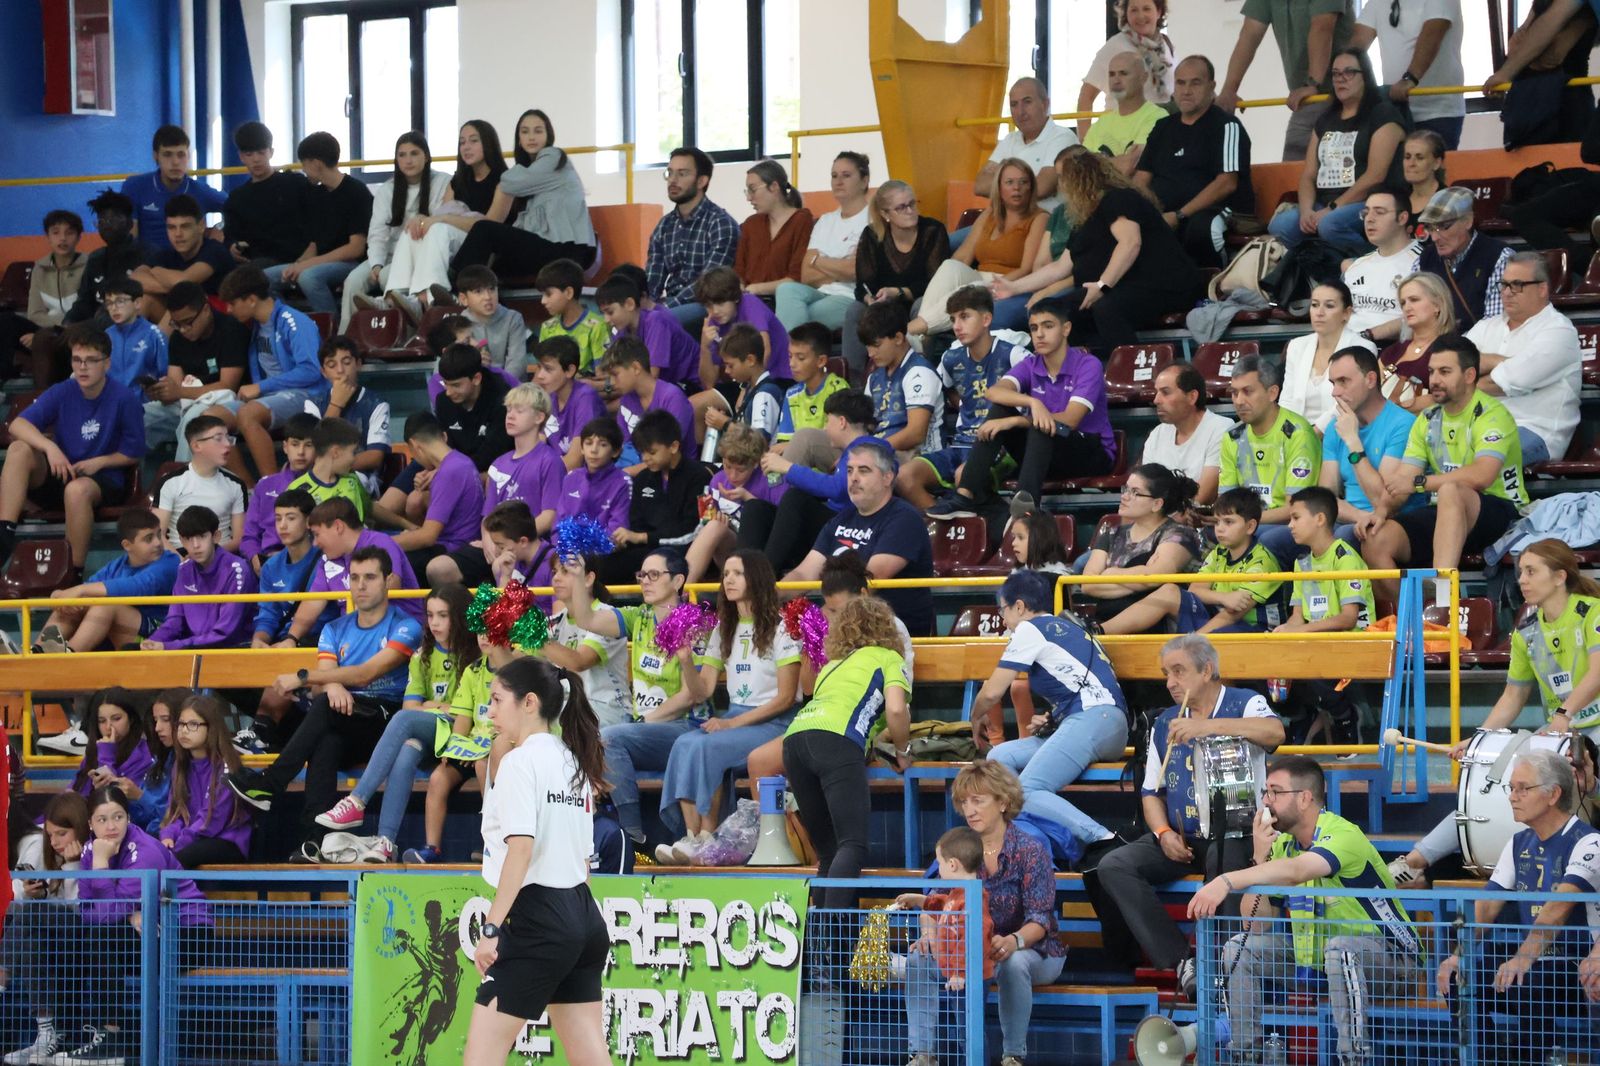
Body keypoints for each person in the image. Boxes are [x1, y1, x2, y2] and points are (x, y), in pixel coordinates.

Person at [1389, 538, 1600, 885]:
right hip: (1561, 737)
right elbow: (1513, 696)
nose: (1523, 580)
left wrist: (1563, 714)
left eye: (1532, 571)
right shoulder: (1527, 632)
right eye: (1520, 572)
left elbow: (1596, 671)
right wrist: (1478, 739)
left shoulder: (1590, 613)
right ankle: (1416, 861)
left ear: (1560, 576)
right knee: (1505, 780)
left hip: (1584, 728)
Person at [1187, 756, 1423, 1066]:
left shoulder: (1343, 835)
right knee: (1238, 949)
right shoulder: (1284, 844)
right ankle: (1245, 1056)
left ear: (1304, 798)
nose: (1266, 802)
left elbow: (1298, 871)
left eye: (1275, 792)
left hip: (1393, 961)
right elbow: (1255, 925)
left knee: (1340, 950)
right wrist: (1259, 856)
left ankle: (1353, 1060)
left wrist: (1227, 880)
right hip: (1319, 964)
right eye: (1265, 792)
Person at [1085, 635, 1282, 994]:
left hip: (1238, 830)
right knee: (1114, 865)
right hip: (1182, 833)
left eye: (1178, 672)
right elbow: (1150, 793)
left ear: (1207, 670)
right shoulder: (1165, 722)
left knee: (1231, 867)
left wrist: (1207, 727)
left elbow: (1275, 732)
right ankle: (1181, 961)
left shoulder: (1246, 702)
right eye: (1166, 674)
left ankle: (1231, 975)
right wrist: (1162, 832)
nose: (1170, 682)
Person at [461, 658, 611, 1066]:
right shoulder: (573, 761)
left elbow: (520, 851)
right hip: (583, 916)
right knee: (590, 1054)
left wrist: (490, 928)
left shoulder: (519, 762)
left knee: (481, 1056)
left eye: (496, 700)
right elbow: (583, 862)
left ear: (529, 702)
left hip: (539, 919)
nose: (489, 711)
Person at [227, 548, 423, 858]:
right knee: (326, 740)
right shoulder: (335, 629)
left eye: (370, 578)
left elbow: (367, 673)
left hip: (386, 722)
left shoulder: (407, 627)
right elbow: (330, 677)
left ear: (388, 581)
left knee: (322, 711)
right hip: (344, 720)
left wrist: (306, 678)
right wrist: (330, 683)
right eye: (355, 578)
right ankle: (315, 842)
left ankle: (271, 783)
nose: (360, 586)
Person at [1437, 749, 1600, 1063]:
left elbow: (1559, 906)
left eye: (1523, 788)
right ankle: (1485, 1058)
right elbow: (1487, 906)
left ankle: (1532, 1059)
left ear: (1553, 794)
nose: (1513, 796)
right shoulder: (1518, 843)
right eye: (1510, 788)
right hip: (1536, 960)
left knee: (1528, 979)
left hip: (1578, 963)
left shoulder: (1588, 842)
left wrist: (1522, 958)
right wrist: (1458, 957)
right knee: (1463, 976)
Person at [314, 584, 480, 862]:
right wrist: (441, 708)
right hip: (434, 730)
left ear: (459, 617)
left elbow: (468, 712)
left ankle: (357, 801)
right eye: (430, 615)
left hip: (466, 734)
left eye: (443, 615)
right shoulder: (422, 655)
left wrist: (433, 707)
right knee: (408, 749)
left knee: (403, 721)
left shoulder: (476, 654)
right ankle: (386, 842)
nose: (434, 623)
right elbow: (412, 705)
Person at [657, 550, 800, 863]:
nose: (729, 580)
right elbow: (703, 689)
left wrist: (732, 724)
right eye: (726, 574)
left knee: (708, 746)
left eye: (738, 573)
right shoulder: (723, 628)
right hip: (736, 717)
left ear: (757, 578)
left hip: (774, 723)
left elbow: (786, 698)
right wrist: (685, 662)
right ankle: (692, 836)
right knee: (684, 743)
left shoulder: (782, 628)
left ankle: (708, 838)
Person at [975, 570, 1129, 852]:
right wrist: (1053, 718)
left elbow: (992, 692)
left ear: (1019, 606)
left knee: (1027, 791)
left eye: (1003, 610)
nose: (1004, 619)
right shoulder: (1068, 627)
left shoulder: (1029, 628)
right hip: (1104, 723)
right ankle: (1022, 837)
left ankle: (1104, 840)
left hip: (1094, 720)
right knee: (999, 757)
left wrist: (975, 717)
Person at [1364, 336, 1527, 602]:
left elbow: (1482, 476)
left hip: (1500, 511)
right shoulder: (1427, 418)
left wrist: (1420, 483)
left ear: (1469, 375)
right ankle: (1415, 621)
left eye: (1445, 371)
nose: (1434, 379)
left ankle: (1441, 598)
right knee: (1376, 538)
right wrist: (1380, 512)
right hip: (1446, 514)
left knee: (1451, 490)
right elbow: (1403, 479)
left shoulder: (1491, 414)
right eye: (1431, 372)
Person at [563, 548, 706, 844]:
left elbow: (691, 696)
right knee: (599, 736)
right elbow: (587, 618)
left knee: (612, 736)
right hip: (647, 728)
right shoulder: (637, 617)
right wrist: (578, 579)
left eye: (655, 574)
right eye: (642, 575)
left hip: (685, 726)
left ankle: (631, 833)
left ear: (678, 581)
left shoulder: (694, 624)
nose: (645, 581)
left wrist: (647, 719)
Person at [994, 151, 1203, 353]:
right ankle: (1079, 370)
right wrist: (1013, 287)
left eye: (1063, 180)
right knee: (1053, 310)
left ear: (1079, 181)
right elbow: (1060, 267)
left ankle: (1132, 370)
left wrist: (1102, 285)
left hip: (1163, 285)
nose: (1060, 187)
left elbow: (1130, 243)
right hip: (1120, 287)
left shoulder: (1119, 199)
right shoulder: (1083, 219)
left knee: (1106, 306)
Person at [928, 298, 1113, 518]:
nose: (1039, 334)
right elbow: (994, 392)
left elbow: (1071, 420)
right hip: (1046, 452)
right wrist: (1032, 403)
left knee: (1041, 425)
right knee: (1001, 409)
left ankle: (1025, 507)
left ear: (1066, 329)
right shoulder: (1031, 364)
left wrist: (1017, 421)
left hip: (1089, 452)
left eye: (1048, 326)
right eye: (1034, 328)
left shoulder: (1087, 364)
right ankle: (965, 495)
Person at [933, 762, 1065, 1065]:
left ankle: (1012, 1056)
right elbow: (937, 900)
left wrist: (1014, 940)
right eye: (964, 802)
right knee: (925, 959)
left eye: (978, 800)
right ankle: (928, 1054)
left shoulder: (1030, 849)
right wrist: (930, 933)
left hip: (1036, 950)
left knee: (1014, 962)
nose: (970, 810)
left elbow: (1040, 920)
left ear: (1003, 802)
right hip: (976, 951)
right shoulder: (960, 847)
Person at [71, 785, 212, 1064]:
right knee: (77, 934)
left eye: (118, 817)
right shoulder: (90, 849)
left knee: (103, 936)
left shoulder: (144, 850)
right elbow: (85, 909)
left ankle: (112, 1039)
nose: (111, 826)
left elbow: (106, 913)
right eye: (102, 819)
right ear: (90, 824)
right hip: (141, 932)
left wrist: (101, 865)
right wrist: (127, 913)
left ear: (129, 818)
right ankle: (70, 1035)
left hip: (189, 934)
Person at [784, 595, 912, 897]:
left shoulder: (830, 666)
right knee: (851, 844)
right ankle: (837, 942)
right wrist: (903, 752)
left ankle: (823, 940)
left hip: (795, 740)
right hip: (835, 741)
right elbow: (896, 710)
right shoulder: (888, 658)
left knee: (827, 850)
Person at [0, 324, 146, 571]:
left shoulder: (124, 398)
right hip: (62, 471)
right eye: (77, 360)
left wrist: (100, 462)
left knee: (77, 491)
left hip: (103, 478)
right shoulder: (63, 390)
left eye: (90, 360)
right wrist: (50, 447)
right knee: (18, 450)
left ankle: (72, 571)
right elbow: (17, 425)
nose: (82, 367)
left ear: (106, 364)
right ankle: (4, 533)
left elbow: (133, 452)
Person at [784, 439, 936, 636]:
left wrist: (817, 622)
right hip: (842, 626)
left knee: (804, 636)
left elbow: (868, 581)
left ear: (887, 477)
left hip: (888, 631)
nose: (853, 478)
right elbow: (804, 574)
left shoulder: (904, 519)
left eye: (863, 470)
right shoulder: (840, 520)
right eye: (849, 471)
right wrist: (768, 598)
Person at [895, 286, 1026, 509]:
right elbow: (946, 390)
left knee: (963, 476)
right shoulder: (950, 358)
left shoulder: (1015, 355)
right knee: (904, 477)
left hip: (1001, 448)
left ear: (986, 319)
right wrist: (962, 403)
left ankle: (971, 535)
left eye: (964, 317)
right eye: (953, 319)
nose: (956, 326)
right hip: (960, 444)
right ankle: (942, 531)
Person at [1267, 47, 1407, 255]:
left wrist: (1332, 208)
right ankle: (1314, 270)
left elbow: (1375, 175)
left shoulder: (1382, 113)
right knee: (1280, 225)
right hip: (1323, 204)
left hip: (1364, 202)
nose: (1341, 79)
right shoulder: (1325, 119)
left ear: (1365, 76)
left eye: (1349, 72)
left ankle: (1369, 262)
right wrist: (1306, 211)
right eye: (1335, 74)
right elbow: (1308, 175)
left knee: (1330, 225)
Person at [372, 119, 506, 318]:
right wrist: (423, 220)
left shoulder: (503, 179)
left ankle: (430, 295)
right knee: (414, 229)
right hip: (455, 240)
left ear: (488, 143)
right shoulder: (457, 181)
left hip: (485, 245)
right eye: (462, 142)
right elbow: (443, 215)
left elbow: (491, 227)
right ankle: (393, 296)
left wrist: (439, 220)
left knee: (437, 228)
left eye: (473, 141)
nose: (466, 147)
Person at [450, 109, 598, 288]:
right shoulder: (530, 171)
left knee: (484, 229)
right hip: (548, 248)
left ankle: (455, 286)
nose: (531, 137)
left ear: (548, 136)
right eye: (525, 131)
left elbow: (509, 182)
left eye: (538, 131)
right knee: (491, 268)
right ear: (519, 139)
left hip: (567, 250)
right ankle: (481, 302)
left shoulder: (554, 157)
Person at [1133, 55, 1257, 269]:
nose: (1186, 90)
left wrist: (1179, 215)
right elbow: (1141, 179)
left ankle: (1214, 287)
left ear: (1212, 86)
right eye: (1180, 83)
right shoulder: (1162, 127)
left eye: (1195, 83)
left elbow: (1227, 182)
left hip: (1215, 210)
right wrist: (1141, 212)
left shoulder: (1226, 125)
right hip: (1164, 212)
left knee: (1201, 228)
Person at [743, 388, 882, 574]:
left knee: (796, 499)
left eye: (827, 420)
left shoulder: (872, 448)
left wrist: (787, 467)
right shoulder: (849, 451)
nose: (825, 428)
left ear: (841, 422)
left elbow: (838, 489)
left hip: (848, 531)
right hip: (826, 527)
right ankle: (743, 574)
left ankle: (763, 580)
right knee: (756, 509)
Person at [1277, 487, 1378, 744]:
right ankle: (1305, 717)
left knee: (1308, 662)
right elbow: (1297, 617)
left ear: (1320, 519)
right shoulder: (1302, 563)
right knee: (1266, 659)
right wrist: (1282, 633)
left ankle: (1345, 716)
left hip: (1357, 641)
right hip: (1320, 641)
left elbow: (1348, 619)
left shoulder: (1345, 558)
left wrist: (1298, 632)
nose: (1290, 525)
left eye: (1296, 518)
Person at [1468, 249, 1582, 467]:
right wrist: (1499, 361)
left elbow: (1506, 382)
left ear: (1542, 288)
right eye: (1504, 284)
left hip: (1531, 430)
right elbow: (1450, 364)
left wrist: (1465, 381)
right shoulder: (1486, 327)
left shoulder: (1559, 332)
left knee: (1475, 461)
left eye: (1517, 285)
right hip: (1477, 426)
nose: (1507, 292)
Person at [212, 264, 325, 481]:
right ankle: (248, 488)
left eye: (233, 303)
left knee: (248, 414)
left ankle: (272, 486)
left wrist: (261, 387)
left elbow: (312, 370)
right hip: (271, 397)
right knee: (210, 420)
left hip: (306, 394)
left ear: (252, 300)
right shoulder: (255, 326)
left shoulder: (295, 322)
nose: (228, 309)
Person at [911, 159, 1046, 338]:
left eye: (1023, 182)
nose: (1017, 188)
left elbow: (1027, 268)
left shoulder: (1039, 218)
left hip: (1009, 281)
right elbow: (963, 256)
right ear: (998, 187)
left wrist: (995, 285)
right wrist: (949, 281)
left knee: (972, 290)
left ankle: (912, 332)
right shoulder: (990, 214)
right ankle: (919, 336)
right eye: (1009, 182)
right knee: (950, 266)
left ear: (1031, 187)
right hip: (978, 275)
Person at [897, 826, 997, 1066]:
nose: (938, 870)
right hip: (953, 971)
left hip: (969, 976)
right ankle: (923, 1054)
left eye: (939, 863)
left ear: (952, 865)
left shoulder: (975, 897)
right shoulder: (956, 894)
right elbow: (942, 905)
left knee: (968, 1029)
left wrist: (960, 973)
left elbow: (975, 937)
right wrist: (920, 900)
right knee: (964, 1026)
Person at [1217, 0, 1357, 162]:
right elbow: (1250, 34)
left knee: (1341, 174)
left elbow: (1322, 28)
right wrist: (1229, 90)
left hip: (1344, 99)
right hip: (1307, 101)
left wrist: (1313, 84)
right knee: (1292, 176)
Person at [338, 131, 450, 330]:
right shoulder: (387, 189)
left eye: (414, 153)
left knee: (388, 278)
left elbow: (442, 223)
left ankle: (401, 337)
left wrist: (381, 272)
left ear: (426, 156)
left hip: (421, 255)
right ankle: (347, 338)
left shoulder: (442, 182)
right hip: (387, 254)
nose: (408, 160)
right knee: (352, 282)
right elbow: (377, 233)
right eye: (402, 155)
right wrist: (376, 264)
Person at [1075, 464, 1204, 635]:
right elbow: (1088, 585)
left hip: (1157, 630)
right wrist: (1142, 577)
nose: (1125, 496)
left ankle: (1099, 631)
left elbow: (1158, 575)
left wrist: (1111, 574)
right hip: (1105, 616)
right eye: (1126, 489)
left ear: (1157, 504)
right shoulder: (1110, 533)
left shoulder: (1179, 534)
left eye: (1135, 492)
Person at [1218, 353, 1322, 564]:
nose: (1239, 401)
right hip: (1245, 523)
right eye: (1234, 393)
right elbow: (1225, 502)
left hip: (1287, 525)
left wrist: (1243, 522)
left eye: (1247, 392)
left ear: (1272, 392)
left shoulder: (1297, 433)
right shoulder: (1232, 437)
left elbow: (1296, 509)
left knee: (1263, 538)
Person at [33, 509, 179, 655]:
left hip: (159, 634)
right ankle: (37, 652)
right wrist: (59, 595)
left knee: (106, 605)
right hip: (123, 631)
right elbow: (87, 589)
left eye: (159, 535)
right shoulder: (115, 566)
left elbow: (137, 587)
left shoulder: (169, 562)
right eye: (148, 539)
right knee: (70, 604)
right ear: (127, 545)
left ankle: (70, 654)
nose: (158, 543)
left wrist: (79, 590)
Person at [843, 182, 951, 375]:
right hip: (883, 306)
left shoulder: (933, 231)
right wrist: (870, 299)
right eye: (901, 207)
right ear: (885, 214)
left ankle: (919, 372)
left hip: (918, 301)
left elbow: (937, 282)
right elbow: (862, 286)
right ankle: (853, 380)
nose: (910, 211)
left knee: (922, 305)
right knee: (855, 310)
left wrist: (898, 292)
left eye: (912, 204)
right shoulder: (872, 235)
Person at [283, 497, 422, 646]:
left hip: (398, 631)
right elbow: (313, 602)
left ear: (338, 527)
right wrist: (291, 639)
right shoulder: (328, 559)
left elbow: (391, 585)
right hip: (353, 636)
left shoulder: (380, 542)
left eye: (317, 534)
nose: (315, 543)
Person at [265, 131, 374, 316]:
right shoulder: (316, 194)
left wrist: (308, 265)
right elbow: (315, 243)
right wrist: (298, 264)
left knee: (309, 277)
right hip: (321, 261)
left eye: (304, 165)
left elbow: (355, 248)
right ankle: (291, 324)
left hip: (351, 262)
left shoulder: (356, 192)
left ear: (316, 163)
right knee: (262, 279)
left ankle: (330, 331)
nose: (304, 170)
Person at [1320, 346, 1421, 545]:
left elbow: (1383, 502)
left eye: (1343, 381)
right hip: (1351, 520)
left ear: (1370, 380)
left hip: (1394, 523)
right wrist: (1359, 516)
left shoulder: (1402, 424)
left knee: (1341, 540)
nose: (1335, 392)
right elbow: (1325, 500)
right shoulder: (1335, 428)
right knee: (1286, 539)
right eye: (1333, 383)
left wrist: (1353, 441)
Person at [601, 409, 710, 585]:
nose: (645, 459)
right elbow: (637, 525)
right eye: (642, 453)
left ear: (673, 447)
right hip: (647, 551)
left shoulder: (699, 477)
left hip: (682, 551)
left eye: (651, 453)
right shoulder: (643, 479)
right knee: (600, 565)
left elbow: (692, 530)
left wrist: (642, 538)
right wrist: (625, 540)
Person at [144, 281, 250, 458]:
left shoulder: (231, 330)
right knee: (143, 415)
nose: (183, 329)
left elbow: (227, 386)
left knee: (194, 421)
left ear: (206, 309)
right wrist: (163, 391)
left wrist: (178, 391)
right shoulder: (178, 338)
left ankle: (185, 478)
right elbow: (175, 383)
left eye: (188, 322)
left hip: (228, 402)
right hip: (187, 400)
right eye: (177, 324)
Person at [774, 152, 873, 332]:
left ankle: (791, 357)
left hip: (850, 296)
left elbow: (856, 270)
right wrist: (840, 267)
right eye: (834, 176)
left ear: (864, 181)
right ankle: (796, 355)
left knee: (800, 316)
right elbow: (806, 274)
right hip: (820, 292)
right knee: (786, 290)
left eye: (846, 175)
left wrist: (818, 261)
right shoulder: (826, 221)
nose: (838, 181)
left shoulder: (873, 219)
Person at [645, 147, 739, 326]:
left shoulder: (720, 223)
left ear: (701, 181)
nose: (673, 180)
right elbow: (652, 278)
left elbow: (709, 285)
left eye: (682, 174)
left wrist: (662, 309)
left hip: (706, 304)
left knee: (657, 321)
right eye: (670, 173)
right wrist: (642, 305)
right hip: (671, 304)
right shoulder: (664, 226)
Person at [141, 506, 258, 651]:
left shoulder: (237, 571)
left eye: (202, 536)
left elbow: (225, 633)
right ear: (182, 541)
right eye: (188, 539)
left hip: (233, 648)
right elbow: (175, 621)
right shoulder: (184, 570)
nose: (195, 545)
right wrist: (154, 641)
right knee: (132, 651)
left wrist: (170, 646)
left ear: (216, 536)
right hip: (193, 647)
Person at [1351, 0, 1466, 147]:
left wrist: (1410, 78)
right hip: (1395, 110)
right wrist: (1345, 75)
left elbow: (1433, 33)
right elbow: (1357, 43)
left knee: (1431, 168)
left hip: (1437, 112)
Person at [1484, 0, 1599, 144]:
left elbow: (1552, 56)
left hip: (1565, 102)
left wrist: (1509, 69)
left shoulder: (1584, 14)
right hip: (1528, 101)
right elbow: (1515, 44)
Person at [1176, 488, 1290, 633]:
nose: (1219, 529)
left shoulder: (1263, 562)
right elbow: (1195, 589)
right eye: (1217, 522)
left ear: (1250, 526)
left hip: (1257, 629)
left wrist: (1194, 640)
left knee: (1215, 634)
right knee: (1170, 592)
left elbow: (1232, 615)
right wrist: (1223, 598)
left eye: (1228, 522)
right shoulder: (1219, 551)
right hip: (1222, 618)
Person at [684, 425, 786, 586]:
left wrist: (749, 498)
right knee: (714, 526)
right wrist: (713, 518)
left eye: (740, 470)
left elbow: (783, 526)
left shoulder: (773, 479)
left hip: (763, 552)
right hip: (728, 553)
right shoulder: (717, 480)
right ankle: (683, 590)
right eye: (727, 466)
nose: (732, 475)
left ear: (755, 463)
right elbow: (704, 521)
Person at [541, 553, 631, 731]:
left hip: (605, 709)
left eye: (565, 571)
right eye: (554, 571)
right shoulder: (554, 621)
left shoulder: (608, 616)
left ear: (588, 578)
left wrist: (535, 637)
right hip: (565, 708)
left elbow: (579, 662)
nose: (556, 578)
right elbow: (515, 662)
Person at [158, 694, 251, 867]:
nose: (184, 730)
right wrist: (168, 835)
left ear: (211, 728)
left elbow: (213, 818)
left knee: (177, 860)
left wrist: (182, 841)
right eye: (181, 724)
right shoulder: (180, 766)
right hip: (194, 837)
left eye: (193, 724)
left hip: (226, 840)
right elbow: (177, 812)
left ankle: (175, 895)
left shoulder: (226, 766)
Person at [391, 412, 488, 575]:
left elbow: (427, 536)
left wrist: (380, 543)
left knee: (390, 560)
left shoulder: (449, 472)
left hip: (454, 550)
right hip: (457, 544)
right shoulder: (461, 462)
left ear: (415, 446)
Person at [1279, 280, 1375, 432]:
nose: (1319, 312)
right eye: (1315, 305)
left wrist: (1316, 432)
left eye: (1329, 306)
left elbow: (1350, 401)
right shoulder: (1296, 346)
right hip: (1296, 436)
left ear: (1346, 313)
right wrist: (1287, 435)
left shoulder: (1363, 348)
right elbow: (1286, 400)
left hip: (1342, 433)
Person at [975, 79, 1079, 217]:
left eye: (1027, 102)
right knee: (949, 238)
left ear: (1045, 104)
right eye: (1014, 104)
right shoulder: (1009, 140)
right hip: (1005, 221)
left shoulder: (1063, 137)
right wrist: (1027, 185)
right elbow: (980, 185)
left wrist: (1003, 185)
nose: (1020, 111)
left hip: (1046, 225)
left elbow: (1043, 187)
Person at [1415, 186, 1514, 330]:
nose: (1434, 237)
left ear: (1468, 221)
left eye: (1444, 226)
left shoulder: (1498, 258)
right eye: (1430, 228)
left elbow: (1493, 328)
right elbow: (1413, 318)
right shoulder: (1423, 260)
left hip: (1477, 349)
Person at [0, 208, 85, 370]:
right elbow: (34, 314)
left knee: (47, 339)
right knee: (5, 321)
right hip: (48, 331)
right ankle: (4, 380)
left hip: (77, 332)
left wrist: (45, 336)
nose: (63, 238)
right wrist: (45, 334)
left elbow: (88, 313)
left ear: (79, 237)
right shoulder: (39, 268)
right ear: (47, 238)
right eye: (55, 233)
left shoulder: (90, 265)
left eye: (69, 233)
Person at [859, 300, 944, 461]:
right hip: (882, 451)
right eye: (867, 346)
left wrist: (871, 450)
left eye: (876, 345)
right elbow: (868, 426)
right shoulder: (874, 378)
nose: (870, 354)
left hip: (919, 455)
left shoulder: (919, 372)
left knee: (865, 466)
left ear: (898, 338)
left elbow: (916, 434)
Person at [119, 125, 226, 252]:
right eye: (167, 154)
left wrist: (219, 228)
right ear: (155, 156)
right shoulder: (134, 186)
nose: (175, 162)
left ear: (188, 156)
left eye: (181, 155)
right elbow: (130, 240)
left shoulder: (201, 191)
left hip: (191, 266)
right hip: (148, 266)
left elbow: (238, 207)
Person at [221, 121, 311, 271]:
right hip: (256, 260)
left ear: (271, 152)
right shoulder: (237, 198)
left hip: (298, 257)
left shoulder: (295, 183)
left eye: (261, 152)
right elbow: (230, 234)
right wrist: (232, 247)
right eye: (249, 154)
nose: (256, 159)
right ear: (241, 157)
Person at [1079, 0, 1177, 135]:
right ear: (1126, 14)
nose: (1140, 16)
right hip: (1123, 136)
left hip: (1163, 133)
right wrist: (1085, 145)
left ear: (1159, 12)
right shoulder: (1116, 46)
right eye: (1134, 10)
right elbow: (1086, 97)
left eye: (1146, 9)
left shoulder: (1164, 45)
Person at [1142, 362, 1231, 505]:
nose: (1156, 400)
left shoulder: (1221, 428)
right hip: (1161, 521)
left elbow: (1203, 497)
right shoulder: (1157, 434)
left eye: (1165, 392)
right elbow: (1145, 492)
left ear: (1192, 397)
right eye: (1157, 392)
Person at [154, 416, 247, 552]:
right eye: (218, 438)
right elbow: (158, 534)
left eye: (228, 438)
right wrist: (182, 561)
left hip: (220, 553)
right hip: (179, 554)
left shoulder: (236, 484)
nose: (227, 444)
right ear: (196, 445)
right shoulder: (170, 482)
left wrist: (212, 557)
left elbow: (239, 538)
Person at [596, 275, 701, 391]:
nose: (606, 319)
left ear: (629, 304)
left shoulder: (656, 322)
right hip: (660, 387)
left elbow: (650, 378)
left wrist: (599, 386)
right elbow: (616, 373)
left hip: (690, 385)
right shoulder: (620, 332)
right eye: (603, 314)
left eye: (610, 312)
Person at [1342, 186, 1419, 342]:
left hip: (1392, 349)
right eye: (1366, 212)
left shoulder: (1423, 262)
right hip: (1348, 345)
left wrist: (1367, 336)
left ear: (1402, 218)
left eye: (1379, 212)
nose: (1369, 219)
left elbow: (1423, 316)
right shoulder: (1357, 267)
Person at [128, 196, 235, 305]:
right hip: (185, 315)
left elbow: (184, 282)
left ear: (201, 226)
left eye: (185, 226)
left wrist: (157, 271)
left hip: (222, 316)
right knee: (145, 299)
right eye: (171, 227)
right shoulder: (167, 254)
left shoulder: (215, 250)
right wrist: (171, 286)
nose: (178, 234)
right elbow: (135, 279)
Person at [694, 265, 791, 383]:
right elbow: (709, 383)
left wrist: (748, 391)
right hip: (742, 382)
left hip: (778, 377)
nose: (715, 311)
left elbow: (765, 349)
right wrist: (705, 347)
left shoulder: (750, 303)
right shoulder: (712, 324)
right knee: (698, 401)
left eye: (720, 303)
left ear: (735, 297)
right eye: (708, 306)